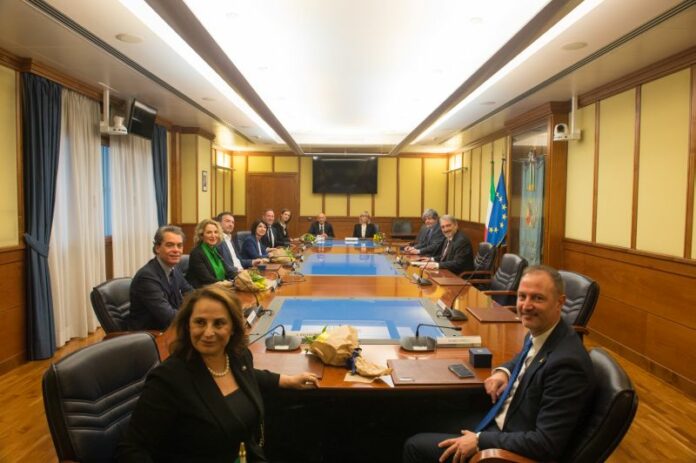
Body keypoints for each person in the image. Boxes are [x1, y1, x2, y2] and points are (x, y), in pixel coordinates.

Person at [403, 265, 596, 463]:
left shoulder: (567, 365)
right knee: (419, 417)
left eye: (538, 298)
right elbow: (525, 358)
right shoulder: (544, 332)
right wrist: (504, 371)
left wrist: (479, 441)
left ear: (560, 302)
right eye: (522, 296)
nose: (526, 306)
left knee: (415, 446)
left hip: (505, 447)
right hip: (501, 419)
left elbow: (545, 443)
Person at [118, 286, 319, 462]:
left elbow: (249, 376)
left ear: (233, 328)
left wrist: (287, 380)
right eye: (200, 322)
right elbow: (132, 449)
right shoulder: (168, 379)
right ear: (188, 325)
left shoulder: (238, 357)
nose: (208, 333)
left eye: (219, 323)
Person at [128, 225, 193, 331]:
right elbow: (168, 316)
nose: (176, 250)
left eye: (179, 246)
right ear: (157, 248)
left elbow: (190, 293)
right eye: (170, 245)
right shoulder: (147, 277)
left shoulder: (174, 268)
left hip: (168, 328)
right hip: (150, 334)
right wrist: (198, 317)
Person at [186, 219, 237, 288]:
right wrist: (230, 282)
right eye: (209, 232)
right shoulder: (196, 253)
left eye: (216, 232)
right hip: (202, 290)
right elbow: (207, 279)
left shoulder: (216, 250)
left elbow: (228, 271)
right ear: (201, 235)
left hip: (219, 287)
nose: (213, 236)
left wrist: (239, 276)